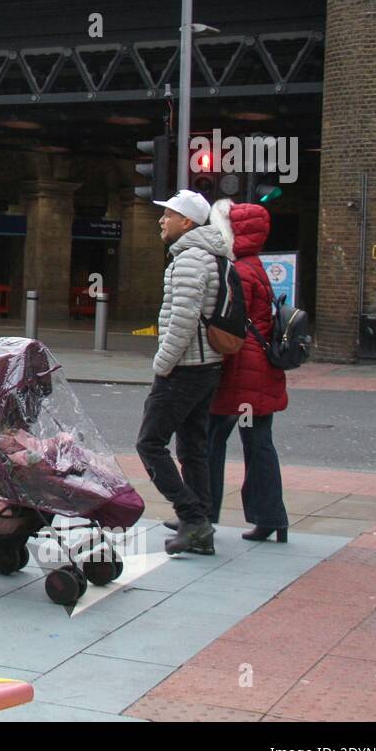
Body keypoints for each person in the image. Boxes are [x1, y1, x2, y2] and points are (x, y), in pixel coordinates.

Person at [134, 189, 232, 556]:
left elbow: (183, 320)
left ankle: (192, 517)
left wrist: (163, 365)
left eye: (169, 214)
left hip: (185, 367)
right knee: (193, 446)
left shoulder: (191, 259)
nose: (162, 220)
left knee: (149, 443)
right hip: (207, 367)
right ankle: (201, 518)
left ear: (187, 222)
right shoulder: (212, 256)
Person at [206, 199, 289, 543]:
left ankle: (201, 514)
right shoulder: (256, 265)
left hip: (239, 372)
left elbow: (231, 328)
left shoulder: (236, 270)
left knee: (209, 440)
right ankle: (271, 518)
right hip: (262, 371)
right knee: (258, 445)